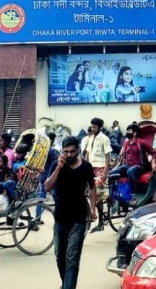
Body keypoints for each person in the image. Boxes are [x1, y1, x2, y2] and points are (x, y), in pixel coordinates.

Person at [45, 136, 96, 289]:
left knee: (72, 259)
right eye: (65, 151)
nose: (68, 155)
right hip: (60, 218)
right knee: (60, 257)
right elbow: (47, 187)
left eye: (72, 151)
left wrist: (93, 208)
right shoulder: (56, 164)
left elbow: (92, 188)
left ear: (78, 150)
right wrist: (59, 168)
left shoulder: (86, 167)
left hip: (79, 219)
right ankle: (66, 284)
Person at [81, 118, 111, 232]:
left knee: (97, 195)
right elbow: (88, 153)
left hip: (101, 168)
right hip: (90, 168)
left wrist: (105, 172)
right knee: (88, 193)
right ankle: (97, 216)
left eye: (94, 127)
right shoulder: (90, 138)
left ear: (99, 127)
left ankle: (100, 222)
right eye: (91, 126)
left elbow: (108, 156)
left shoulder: (105, 139)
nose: (92, 128)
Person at [109, 123, 156, 188]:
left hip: (139, 167)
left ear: (134, 133)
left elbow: (153, 152)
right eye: (127, 131)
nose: (127, 132)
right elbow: (122, 155)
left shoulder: (141, 142)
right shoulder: (125, 142)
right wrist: (117, 165)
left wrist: (153, 162)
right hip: (127, 165)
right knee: (112, 173)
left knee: (130, 171)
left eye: (129, 131)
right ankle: (113, 192)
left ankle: (134, 191)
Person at [0, 144, 28, 213]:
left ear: (24, 154)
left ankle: (17, 200)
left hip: (17, 182)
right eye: (17, 153)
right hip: (9, 181)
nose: (17, 155)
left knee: (6, 184)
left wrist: (22, 168)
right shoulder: (16, 161)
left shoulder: (25, 162)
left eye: (20, 153)